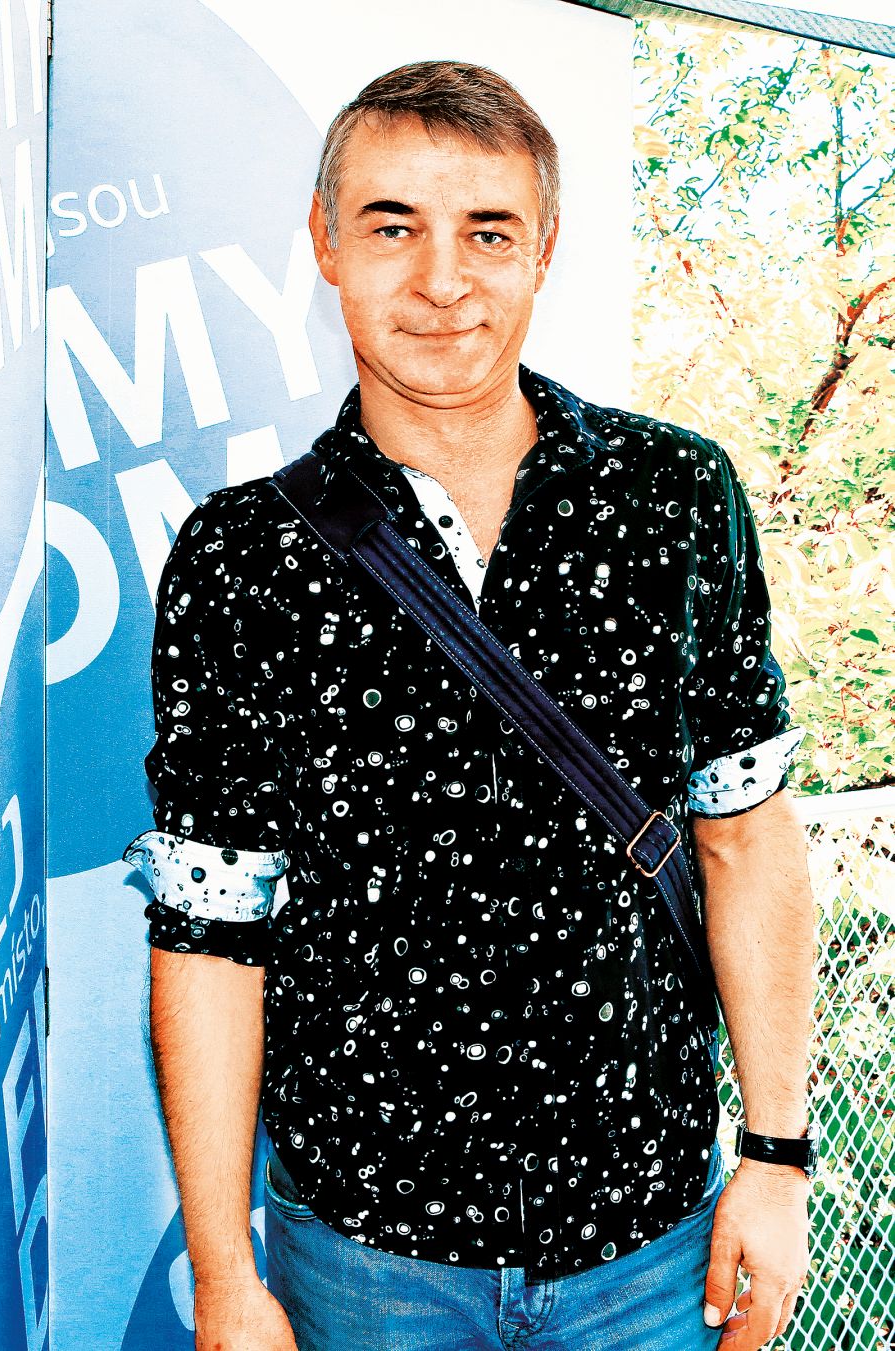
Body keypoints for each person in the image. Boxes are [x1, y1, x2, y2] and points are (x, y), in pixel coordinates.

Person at [123, 60, 816, 1351]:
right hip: (365, 1261)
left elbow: (745, 833)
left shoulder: (674, 497)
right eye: (393, 226)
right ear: (326, 243)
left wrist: (776, 1158)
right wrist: (224, 1272)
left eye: (489, 232)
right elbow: (212, 929)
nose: (443, 281)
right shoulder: (242, 557)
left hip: (651, 1249)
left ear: (544, 250)